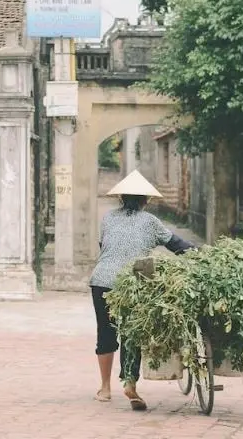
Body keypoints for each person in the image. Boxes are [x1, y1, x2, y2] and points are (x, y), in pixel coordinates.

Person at [90, 170, 195, 411]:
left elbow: (104, 246)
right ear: (145, 200)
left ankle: (105, 389)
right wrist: (200, 254)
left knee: (105, 333)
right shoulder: (151, 222)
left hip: (101, 280)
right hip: (133, 282)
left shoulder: (108, 218)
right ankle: (129, 383)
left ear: (121, 198)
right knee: (132, 333)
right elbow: (177, 245)